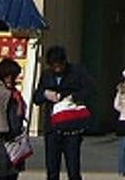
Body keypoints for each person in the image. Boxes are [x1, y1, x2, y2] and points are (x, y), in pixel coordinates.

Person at [32, 46, 95, 180]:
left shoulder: (77, 72)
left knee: (73, 169)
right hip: (52, 129)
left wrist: (72, 97)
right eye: (54, 66)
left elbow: (90, 90)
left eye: (60, 65)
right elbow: (36, 98)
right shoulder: (46, 75)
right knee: (52, 169)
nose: (57, 69)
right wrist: (45, 94)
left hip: (71, 128)